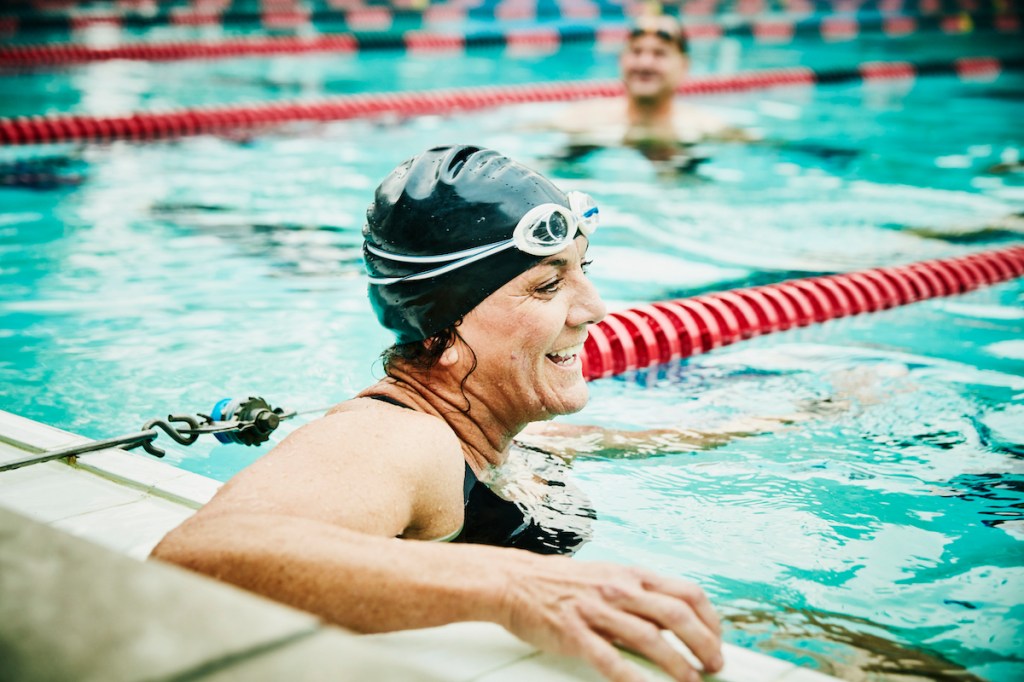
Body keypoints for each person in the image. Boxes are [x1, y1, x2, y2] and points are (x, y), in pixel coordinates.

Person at [151, 145, 725, 682]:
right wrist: (513, 586)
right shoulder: (399, 437)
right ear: (441, 333)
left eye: (583, 268)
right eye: (549, 284)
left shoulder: (489, 437)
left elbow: (626, 440)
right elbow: (196, 560)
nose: (595, 307)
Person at [551, 15, 752, 171]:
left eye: (659, 53)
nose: (645, 63)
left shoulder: (706, 128)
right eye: (637, 51)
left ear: (684, 65)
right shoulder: (580, 118)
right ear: (621, 60)